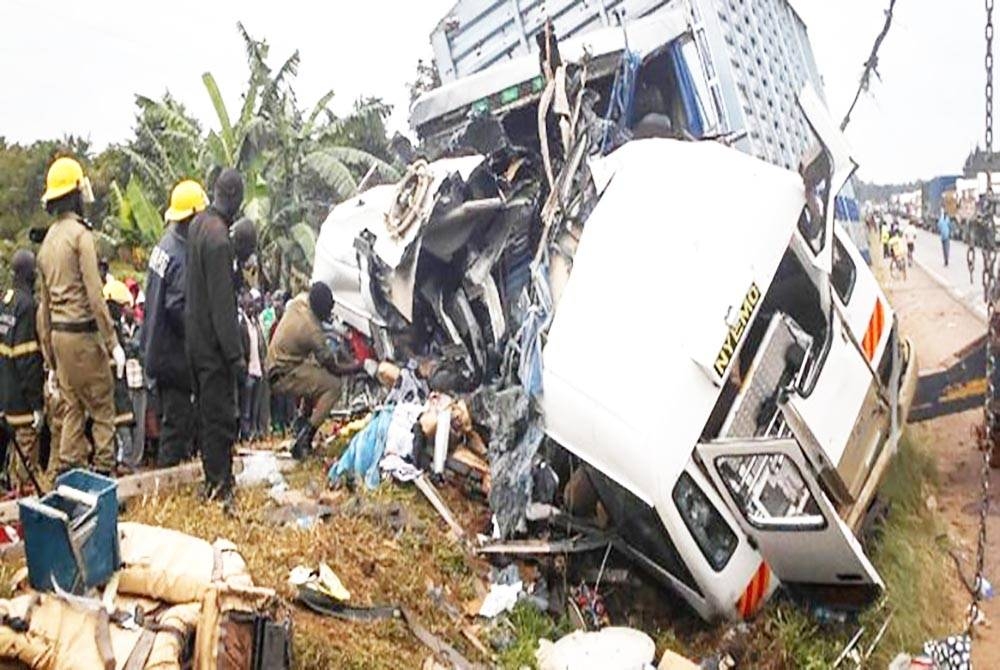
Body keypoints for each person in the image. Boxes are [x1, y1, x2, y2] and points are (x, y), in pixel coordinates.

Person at [36, 156, 123, 477]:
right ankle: (103, 476)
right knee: (101, 408)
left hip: (59, 339)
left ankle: (69, 477)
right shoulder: (80, 237)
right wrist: (112, 342)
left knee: (71, 409)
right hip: (84, 336)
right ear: (75, 195)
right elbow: (95, 296)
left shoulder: (47, 243)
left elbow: (43, 308)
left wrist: (50, 358)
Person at [185, 169, 246, 510]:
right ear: (235, 197)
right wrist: (235, 356)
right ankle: (219, 485)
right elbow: (223, 306)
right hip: (213, 347)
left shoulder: (197, 225)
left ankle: (212, 479)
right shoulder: (220, 240)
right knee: (219, 417)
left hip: (194, 342)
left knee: (206, 416)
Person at [142, 180, 207, 467]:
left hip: (156, 347)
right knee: (177, 426)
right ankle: (167, 483)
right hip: (174, 355)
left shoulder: (164, 245)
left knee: (177, 419)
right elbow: (178, 308)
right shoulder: (181, 255)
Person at [266, 283, 369, 459]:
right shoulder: (312, 330)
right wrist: (361, 366)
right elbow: (334, 368)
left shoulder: (300, 302)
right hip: (284, 373)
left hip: (277, 364)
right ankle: (305, 438)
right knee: (333, 386)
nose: (329, 315)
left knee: (316, 377)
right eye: (327, 311)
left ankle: (301, 422)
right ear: (321, 309)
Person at [0, 251, 45, 493]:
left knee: (10, 457)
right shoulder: (27, 306)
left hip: (4, 394)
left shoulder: (6, 301)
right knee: (25, 468)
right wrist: (36, 403)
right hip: (21, 402)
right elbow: (26, 358)